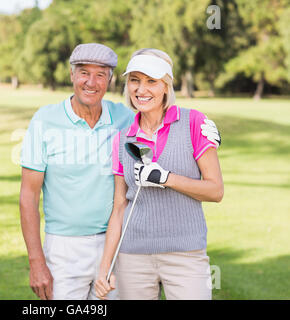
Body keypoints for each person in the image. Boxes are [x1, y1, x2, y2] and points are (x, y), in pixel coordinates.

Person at [19, 44, 221, 300]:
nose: (91, 82)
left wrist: (203, 129)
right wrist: (36, 261)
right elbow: (29, 196)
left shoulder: (128, 120)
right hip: (71, 246)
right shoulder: (52, 122)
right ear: (71, 75)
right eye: (83, 73)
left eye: (100, 74)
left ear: (110, 80)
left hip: (123, 247)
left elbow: (213, 188)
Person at [95, 48, 224, 300]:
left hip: (185, 254)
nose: (141, 90)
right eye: (135, 80)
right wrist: (105, 266)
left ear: (166, 85)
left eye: (151, 81)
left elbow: (215, 191)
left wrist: (166, 178)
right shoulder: (122, 140)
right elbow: (119, 207)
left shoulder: (194, 123)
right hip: (133, 257)